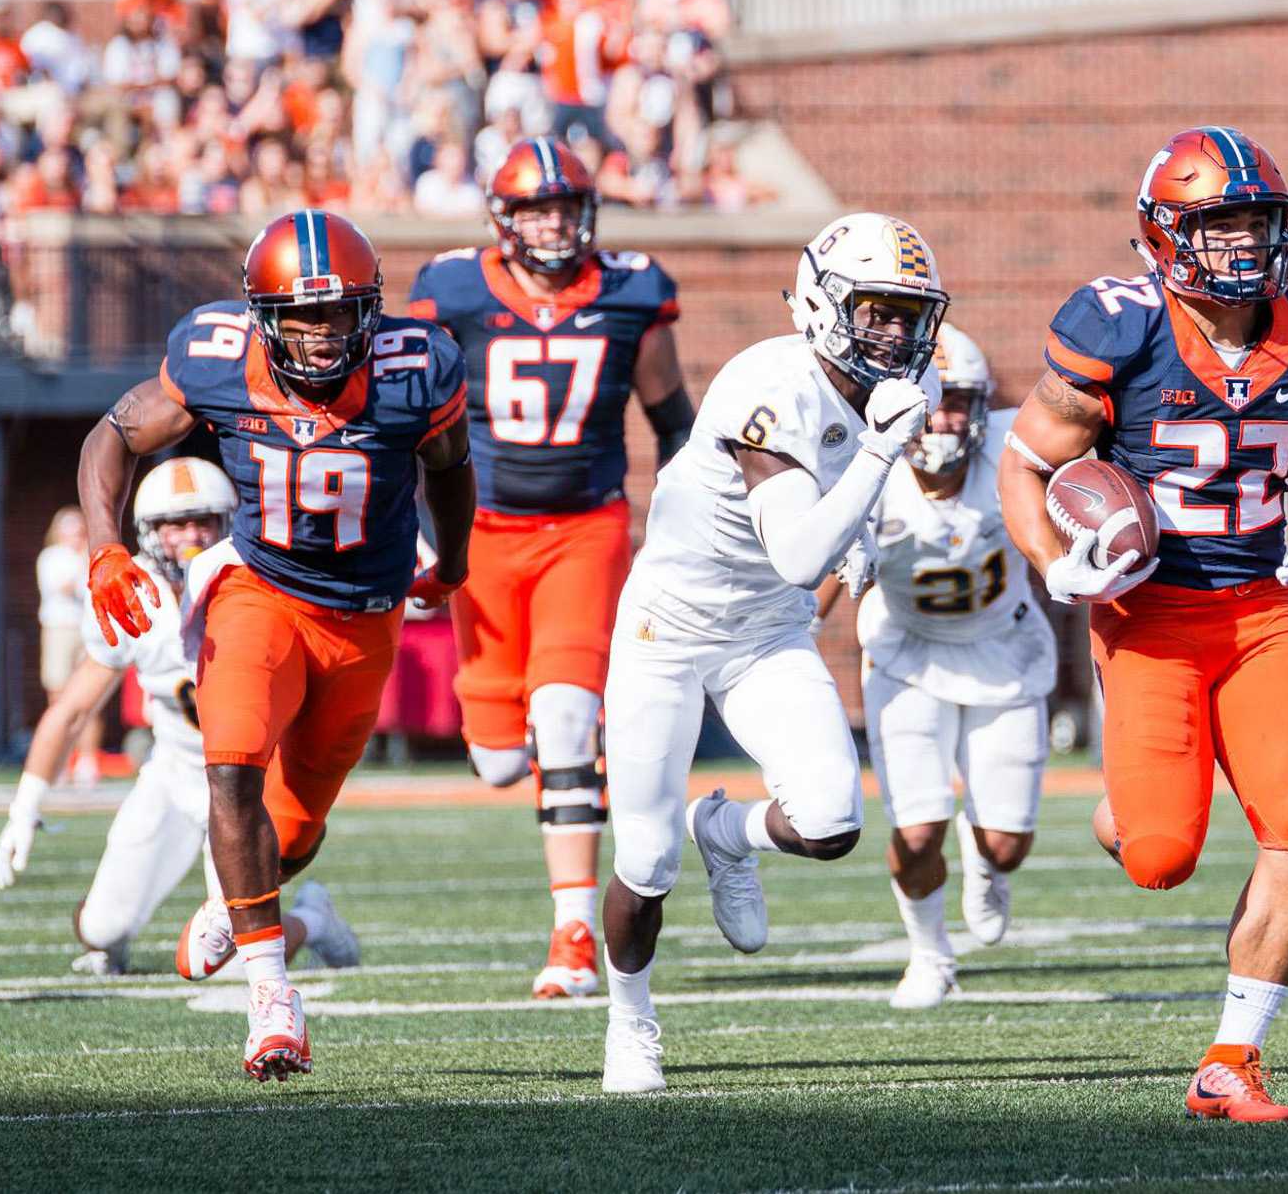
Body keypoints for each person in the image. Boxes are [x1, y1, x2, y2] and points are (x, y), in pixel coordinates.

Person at [1000, 128, 1288, 1123]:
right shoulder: (1118, 326)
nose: (1243, 242)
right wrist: (1055, 560)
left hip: (1260, 612)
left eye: (1256, 221)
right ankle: (1126, 805)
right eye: (1218, 224)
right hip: (1148, 615)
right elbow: (1024, 464)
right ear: (1164, 233)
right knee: (1159, 856)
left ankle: (1230, 1058)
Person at [79, 209, 472, 1080]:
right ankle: (271, 997)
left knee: (294, 830)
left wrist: (453, 562)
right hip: (260, 589)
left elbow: (450, 466)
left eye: (339, 312)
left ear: (370, 309)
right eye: (302, 315)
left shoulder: (417, 370)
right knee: (231, 765)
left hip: (365, 614)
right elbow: (113, 433)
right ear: (263, 315)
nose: (323, 332)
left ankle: (249, 904)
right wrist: (104, 546)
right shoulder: (216, 357)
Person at [597, 211, 946, 1093]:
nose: (895, 334)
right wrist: (877, 458)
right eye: (876, 311)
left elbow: (828, 512)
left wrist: (862, 521)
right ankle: (630, 1023)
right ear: (826, 305)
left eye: (908, 314)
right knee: (645, 859)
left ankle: (727, 829)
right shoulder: (769, 383)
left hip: (764, 630)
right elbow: (797, 550)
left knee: (831, 822)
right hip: (668, 627)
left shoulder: (899, 382)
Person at [408, 138, 691, 999]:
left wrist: (689, 526)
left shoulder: (631, 291)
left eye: (565, 208)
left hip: (584, 528)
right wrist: (411, 528)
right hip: (480, 533)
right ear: (504, 219)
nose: (553, 224)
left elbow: (674, 422)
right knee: (500, 759)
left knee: (567, 717)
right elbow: (407, 417)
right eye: (536, 210)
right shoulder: (453, 290)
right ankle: (548, 755)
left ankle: (572, 933)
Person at [0, 460, 359, 977]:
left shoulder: (260, 585)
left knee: (235, 962)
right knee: (100, 927)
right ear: (149, 530)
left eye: (202, 520)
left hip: (243, 784)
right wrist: (25, 805)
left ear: (226, 521)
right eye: (174, 524)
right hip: (172, 774)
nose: (190, 535)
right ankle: (110, 941)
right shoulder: (135, 593)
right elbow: (72, 709)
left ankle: (314, 920)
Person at [852, 322, 1054, 1009]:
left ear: (980, 406)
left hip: (1005, 649)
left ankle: (984, 857)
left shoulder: (1014, 450)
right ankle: (930, 954)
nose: (940, 419)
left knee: (1005, 846)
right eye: (927, 404)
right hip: (905, 652)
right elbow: (810, 567)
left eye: (956, 402)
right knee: (915, 830)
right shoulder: (866, 469)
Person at [36, 507, 98, 780]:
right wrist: (81, 563)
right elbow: (63, 588)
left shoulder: (90, 557)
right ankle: (59, 761)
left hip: (87, 630)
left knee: (90, 695)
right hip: (59, 629)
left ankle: (87, 760)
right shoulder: (52, 557)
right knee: (59, 696)